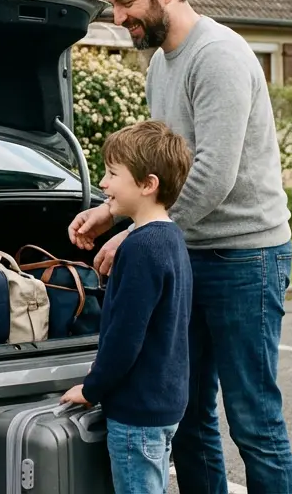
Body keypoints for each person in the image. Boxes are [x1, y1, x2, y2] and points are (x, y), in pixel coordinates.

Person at [68, 0, 292, 494]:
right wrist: (109, 214)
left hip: (247, 257)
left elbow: (214, 175)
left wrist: (138, 237)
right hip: (190, 252)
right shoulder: (160, 67)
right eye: (114, 6)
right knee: (189, 413)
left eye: (126, 3)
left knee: (253, 419)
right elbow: (159, 175)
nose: (118, 18)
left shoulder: (217, 56)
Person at [60, 120, 193, 494]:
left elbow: (124, 336)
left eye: (112, 173)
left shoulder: (138, 249)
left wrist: (92, 388)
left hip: (136, 413)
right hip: (165, 402)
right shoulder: (172, 239)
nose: (103, 183)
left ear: (148, 185)